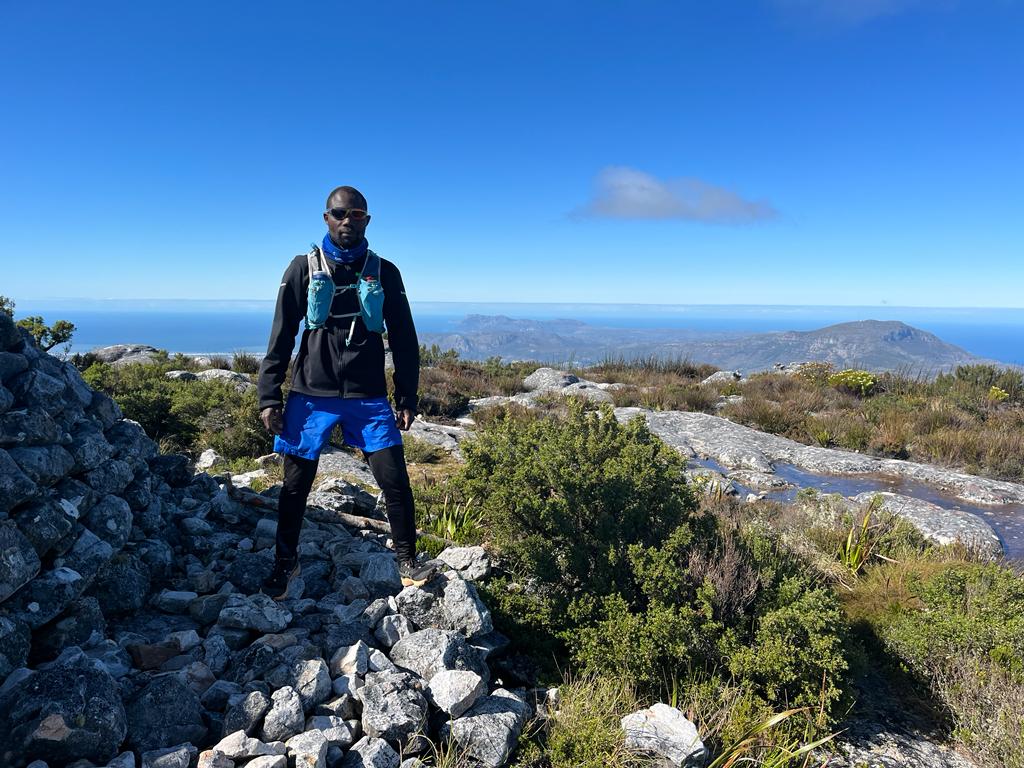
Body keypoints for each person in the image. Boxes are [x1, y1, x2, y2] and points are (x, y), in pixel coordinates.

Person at [256, 185, 434, 599]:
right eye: (339, 214)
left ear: (367, 220)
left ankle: (407, 561)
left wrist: (406, 395)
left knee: (394, 480)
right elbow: (281, 336)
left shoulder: (384, 271)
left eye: (356, 215)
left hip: (368, 396)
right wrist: (269, 397)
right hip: (310, 393)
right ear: (326, 218)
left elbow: (405, 339)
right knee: (296, 486)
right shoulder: (302, 268)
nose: (347, 221)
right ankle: (285, 564)